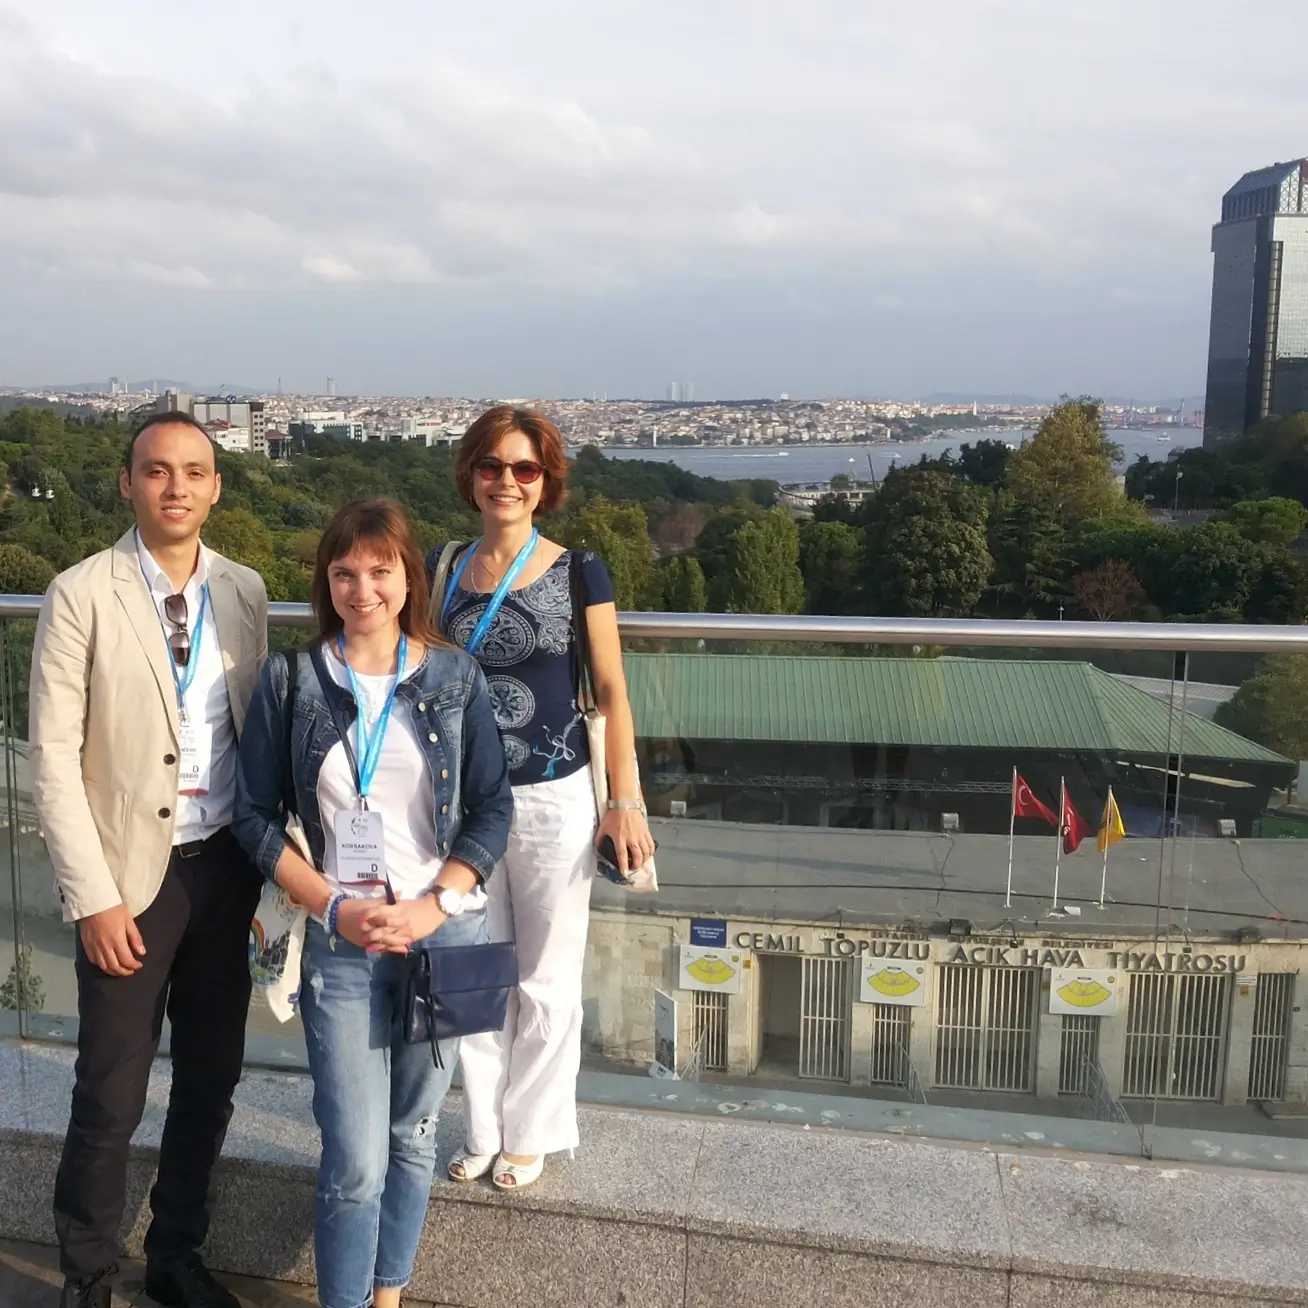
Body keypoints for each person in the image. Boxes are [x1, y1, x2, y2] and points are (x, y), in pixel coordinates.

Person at [232, 498, 512, 1308]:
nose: (363, 589)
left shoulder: (454, 677)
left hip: (442, 939)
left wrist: (435, 904)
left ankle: (389, 1295)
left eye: (380, 571)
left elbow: (493, 808)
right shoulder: (292, 681)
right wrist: (332, 908)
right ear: (326, 581)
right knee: (355, 1156)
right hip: (342, 943)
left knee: (413, 1135)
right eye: (345, 572)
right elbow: (252, 817)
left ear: (408, 577)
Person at [30, 412, 269, 1308]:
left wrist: (266, 881)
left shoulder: (244, 590)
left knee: (209, 1081)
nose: (176, 487)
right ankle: (87, 1274)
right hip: (129, 880)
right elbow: (53, 759)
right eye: (158, 470)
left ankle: (175, 1257)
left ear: (216, 488)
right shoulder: (80, 593)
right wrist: (93, 897)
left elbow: (257, 739)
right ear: (128, 483)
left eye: (194, 472)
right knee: (110, 1092)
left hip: (224, 868)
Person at [429, 405, 655, 1191]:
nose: (507, 481)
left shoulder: (578, 570)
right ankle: (483, 1126)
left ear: (545, 480)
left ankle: (530, 1131)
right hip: (463, 799)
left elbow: (611, 689)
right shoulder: (443, 566)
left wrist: (625, 802)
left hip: (553, 799)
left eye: (524, 468)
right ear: (471, 475)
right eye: (492, 466)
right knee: (472, 969)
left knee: (545, 975)